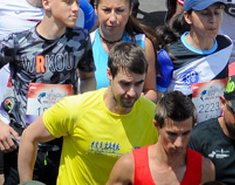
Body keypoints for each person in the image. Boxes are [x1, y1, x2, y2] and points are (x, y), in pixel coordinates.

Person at [0, 0, 94, 183]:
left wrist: (83, 112)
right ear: (47, 3)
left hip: (64, 141)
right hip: (23, 141)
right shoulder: (17, 42)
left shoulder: (81, 38)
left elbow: (87, 77)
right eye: (68, 2)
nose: (76, 8)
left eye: (77, 1)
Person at [18, 41, 158, 185]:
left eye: (138, 84)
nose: (132, 92)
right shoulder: (76, 109)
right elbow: (29, 136)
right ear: (109, 74)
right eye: (125, 84)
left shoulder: (153, 116)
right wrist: (26, 182)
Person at [155, 0, 233, 122]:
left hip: (216, 128)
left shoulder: (226, 45)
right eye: (205, 13)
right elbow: (156, 98)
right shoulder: (169, 55)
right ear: (188, 17)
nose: (213, 20)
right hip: (181, 129)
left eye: (217, 12)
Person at [105, 91, 216, 185]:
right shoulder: (129, 166)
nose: (179, 143)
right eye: (172, 134)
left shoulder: (205, 169)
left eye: (186, 133)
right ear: (157, 126)